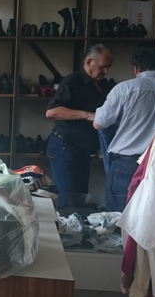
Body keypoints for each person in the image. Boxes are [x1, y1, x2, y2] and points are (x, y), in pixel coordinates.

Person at [93, 47, 155, 211]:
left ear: (136, 69)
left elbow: (99, 123)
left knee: (119, 217)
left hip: (128, 164)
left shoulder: (124, 89)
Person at [45, 44, 114, 210]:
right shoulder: (72, 82)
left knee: (80, 197)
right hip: (65, 148)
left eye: (108, 67)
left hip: (82, 150)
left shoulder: (102, 84)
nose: (106, 71)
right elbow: (52, 112)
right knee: (69, 201)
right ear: (89, 62)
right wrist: (87, 115)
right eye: (102, 67)